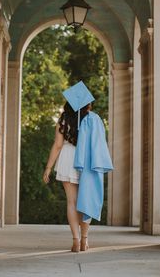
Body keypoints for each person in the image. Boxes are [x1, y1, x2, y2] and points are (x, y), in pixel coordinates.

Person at [43, 81, 113, 253]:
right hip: (86, 161)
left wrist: (48, 168)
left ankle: (75, 240)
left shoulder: (63, 120)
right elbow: (98, 144)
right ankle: (84, 240)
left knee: (72, 202)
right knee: (86, 200)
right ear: (87, 104)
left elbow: (57, 145)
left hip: (67, 161)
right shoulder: (94, 119)